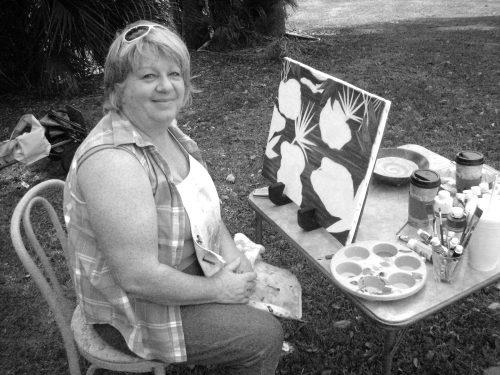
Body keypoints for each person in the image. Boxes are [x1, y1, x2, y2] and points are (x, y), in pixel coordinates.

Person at [63, 20, 283, 374]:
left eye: (174, 74)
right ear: (117, 90)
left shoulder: (166, 132)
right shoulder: (113, 163)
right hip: (131, 310)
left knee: (264, 294)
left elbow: (201, 209)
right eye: (148, 76)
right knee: (263, 336)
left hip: (180, 271)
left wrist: (230, 255)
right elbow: (138, 278)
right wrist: (218, 290)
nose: (166, 86)